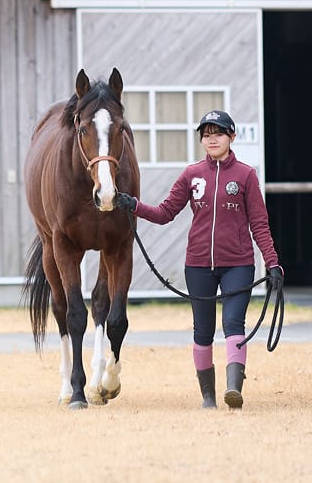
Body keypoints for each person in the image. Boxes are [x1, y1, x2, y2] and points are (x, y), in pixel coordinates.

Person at [114, 110, 283, 410]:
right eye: (206, 134)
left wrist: (272, 263)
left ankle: (234, 390)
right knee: (202, 330)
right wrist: (134, 205)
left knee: (233, 323)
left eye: (218, 133)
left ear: (232, 137)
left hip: (238, 264)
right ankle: (208, 398)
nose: (212, 138)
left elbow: (259, 224)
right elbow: (165, 213)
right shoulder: (191, 175)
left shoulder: (246, 175)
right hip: (199, 265)